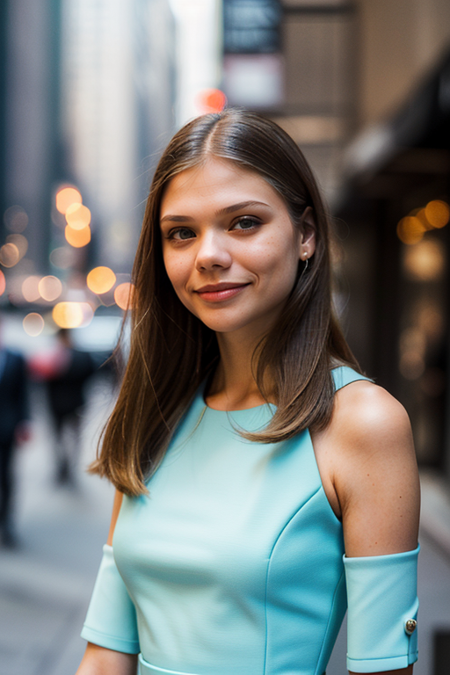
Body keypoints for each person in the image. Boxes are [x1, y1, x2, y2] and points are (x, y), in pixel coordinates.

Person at [76, 110, 420, 675]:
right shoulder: (152, 415)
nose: (208, 255)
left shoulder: (363, 423)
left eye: (242, 222)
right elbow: (105, 653)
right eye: (181, 232)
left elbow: (384, 668)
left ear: (306, 236)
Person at [0, 318, 31, 547]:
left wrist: (24, 423)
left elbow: (23, 394)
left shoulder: (15, 358)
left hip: (7, 428)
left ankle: (7, 520)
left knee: (7, 476)